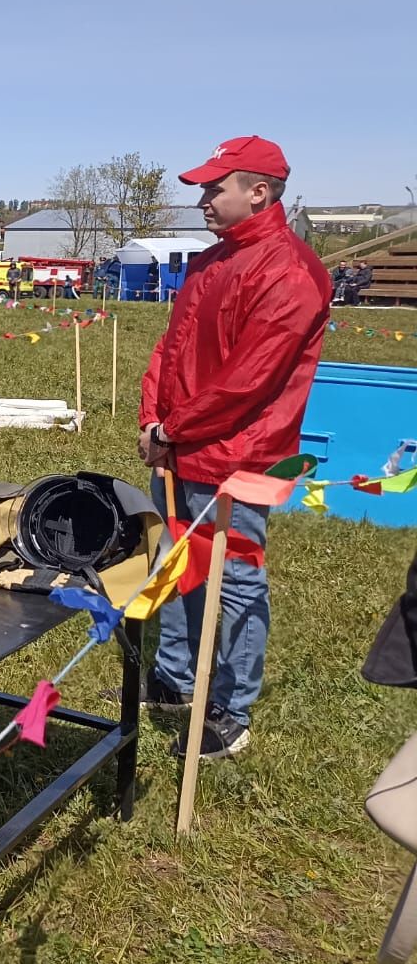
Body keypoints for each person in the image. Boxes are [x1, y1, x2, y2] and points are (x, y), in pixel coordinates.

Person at [139, 136, 331, 761]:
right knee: (176, 563)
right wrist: (153, 420)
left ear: (259, 192)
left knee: (238, 581)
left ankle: (230, 708)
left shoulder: (292, 273)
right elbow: (171, 350)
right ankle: (174, 677)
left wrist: (174, 429)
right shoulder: (208, 263)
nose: (202, 200)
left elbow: (249, 381)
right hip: (178, 446)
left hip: (242, 457)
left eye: (214, 188)